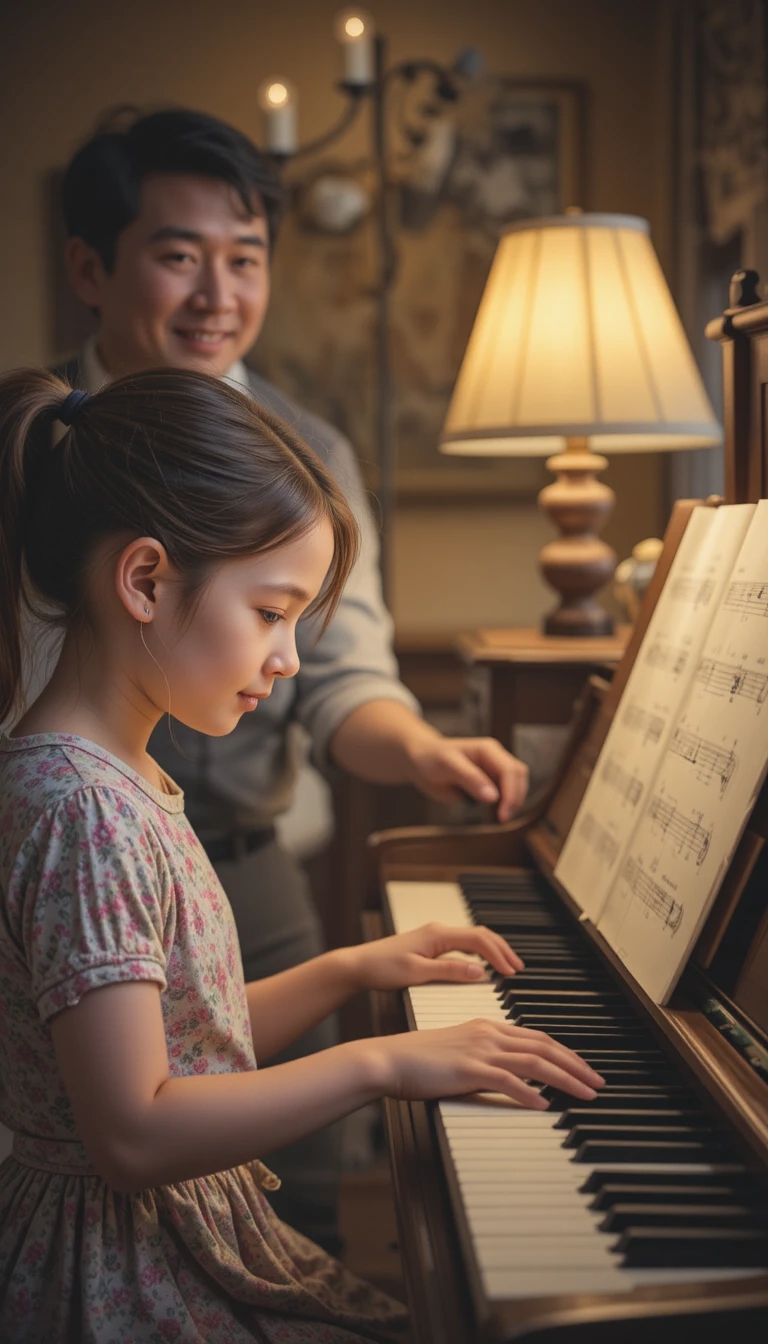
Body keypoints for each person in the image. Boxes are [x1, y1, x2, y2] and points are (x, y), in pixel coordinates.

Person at [0, 367, 603, 1344]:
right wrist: (381, 1063)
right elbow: (136, 1131)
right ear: (146, 580)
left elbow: (183, 1049)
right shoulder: (84, 815)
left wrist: (350, 971)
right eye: (271, 612)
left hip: (164, 1235)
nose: (287, 659)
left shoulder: (112, 776)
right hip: (120, 1271)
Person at [46, 106, 530, 1249]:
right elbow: (127, 1134)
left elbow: (343, 679)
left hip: (244, 882)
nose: (220, 293)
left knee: (297, 1208)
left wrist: (418, 752)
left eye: (246, 257)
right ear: (89, 268)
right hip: (76, 880)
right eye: (179, 255)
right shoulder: (38, 456)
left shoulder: (310, 450)